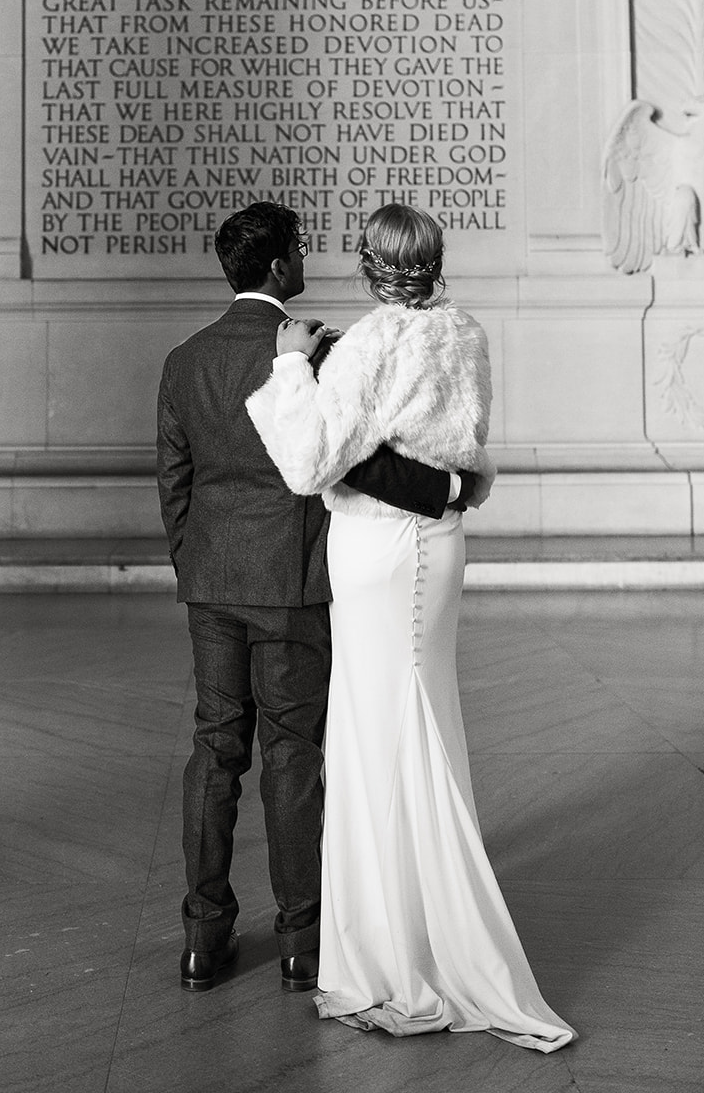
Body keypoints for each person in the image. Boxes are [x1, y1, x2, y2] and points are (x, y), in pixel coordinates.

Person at [245, 202, 576, 1050]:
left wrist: (291, 369)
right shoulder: (465, 332)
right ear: (433, 264)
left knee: (377, 731)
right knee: (421, 721)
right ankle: (426, 925)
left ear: (366, 269)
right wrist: (459, 489)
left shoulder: (364, 344)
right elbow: (464, 455)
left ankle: (398, 954)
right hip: (441, 546)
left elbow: (307, 462)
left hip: (377, 554)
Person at [156, 200, 454, 994]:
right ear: (281, 265)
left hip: (213, 584)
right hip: (291, 583)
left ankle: (200, 938)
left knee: (214, 752)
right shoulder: (316, 351)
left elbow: (174, 484)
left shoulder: (184, 360)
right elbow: (337, 462)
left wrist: (196, 568)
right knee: (292, 757)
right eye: (297, 249)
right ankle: (299, 945)